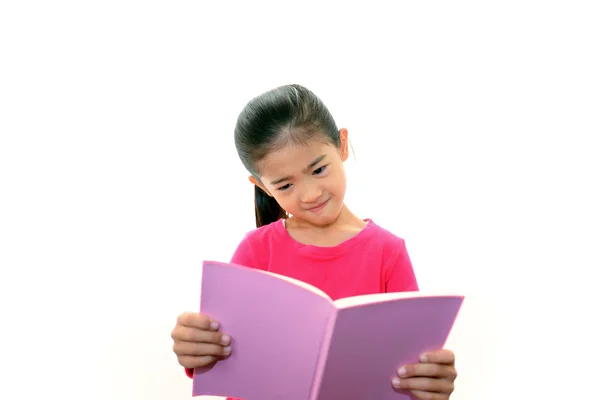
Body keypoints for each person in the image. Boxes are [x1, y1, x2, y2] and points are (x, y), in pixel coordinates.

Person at [171, 84, 458, 400]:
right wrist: (198, 348)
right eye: (285, 185)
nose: (309, 194)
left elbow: (411, 365)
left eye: (319, 169)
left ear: (343, 145)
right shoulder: (255, 251)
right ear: (263, 187)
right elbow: (222, 353)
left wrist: (429, 381)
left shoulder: (387, 253)